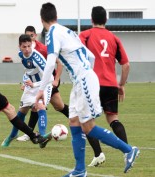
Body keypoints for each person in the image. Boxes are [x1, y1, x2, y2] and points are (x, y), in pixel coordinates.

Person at [37, 3, 139, 176]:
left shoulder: (52, 33)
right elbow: (89, 55)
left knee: (88, 127)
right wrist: (85, 72)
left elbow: (50, 61)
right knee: (74, 123)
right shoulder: (67, 31)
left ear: (42, 19)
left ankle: (129, 150)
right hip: (82, 80)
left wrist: (41, 88)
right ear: (56, 16)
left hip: (83, 80)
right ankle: (79, 170)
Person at [79, 6, 131, 167]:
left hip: (93, 84)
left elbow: (78, 55)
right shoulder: (114, 38)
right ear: (106, 20)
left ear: (91, 19)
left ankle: (98, 154)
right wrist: (121, 84)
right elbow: (126, 65)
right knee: (113, 119)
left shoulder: (85, 35)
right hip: (111, 85)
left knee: (86, 121)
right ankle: (128, 152)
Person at [17, 25, 69, 142]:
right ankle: (31, 134)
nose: (29, 39)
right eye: (27, 36)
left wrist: (56, 80)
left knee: (57, 106)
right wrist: (26, 82)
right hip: (37, 84)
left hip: (49, 82)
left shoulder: (43, 49)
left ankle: (79, 124)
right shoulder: (25, 52)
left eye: (31, 36)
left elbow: (59, 63)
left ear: (35, 36)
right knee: (37, 106)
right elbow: (29, 69)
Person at [1, 34, 53, 148]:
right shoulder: (21, 55)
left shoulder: (37, 57)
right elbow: (28, 71)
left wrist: (35, 84)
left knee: (40, 106)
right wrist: (25, 81)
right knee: (22, 111)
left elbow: (50, 78)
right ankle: (12, 135)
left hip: (43, 86)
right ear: (19, 46)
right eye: (24, 47)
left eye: (29, 46)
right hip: (31, 86)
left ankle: (42, 136)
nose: (27, 49)